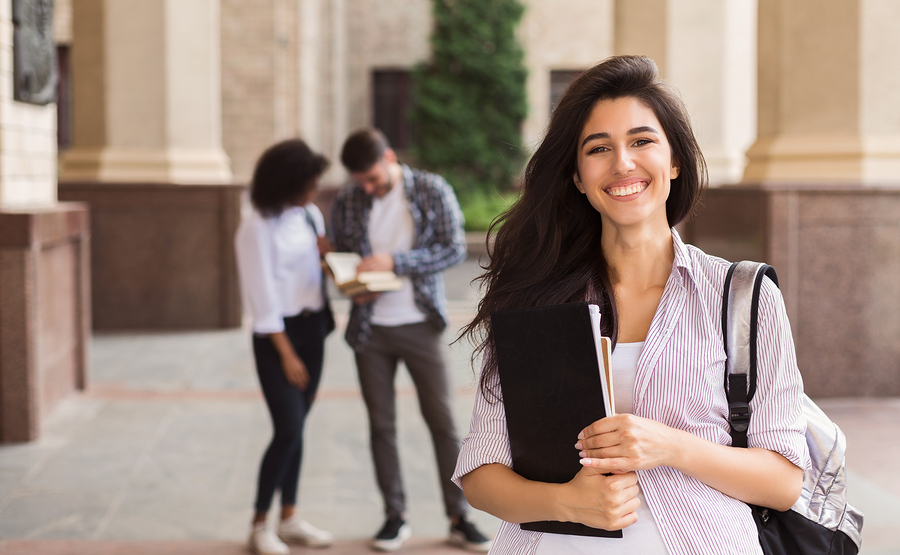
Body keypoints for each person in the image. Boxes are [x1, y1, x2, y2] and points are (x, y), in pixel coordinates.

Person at [453, 56, 810, 555]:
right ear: (577, 176)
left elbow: (784, 481)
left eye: (642, 141)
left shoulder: (741, 295)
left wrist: (670, 446)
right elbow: (481, 474)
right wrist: (569, 503)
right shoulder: (533, 296)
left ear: (675, 160)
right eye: (598, 149)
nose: (622, 163)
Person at [330, 128, 491, 552]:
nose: (367, 187)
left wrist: (395, 262)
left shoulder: (431, 189)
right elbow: (344, 257)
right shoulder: (348, 200)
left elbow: (453, 248)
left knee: (444, 424)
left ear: (388, 157)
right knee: (381, 426)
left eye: (372, 178)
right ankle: (394, 516)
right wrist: (351, 283)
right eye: (360, 180)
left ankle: (459, 517)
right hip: (369, 328)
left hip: (421, 323)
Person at [235, 139, 336, 555]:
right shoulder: (256, 226)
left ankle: (289, 518)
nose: (314, 191)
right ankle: (259, 525)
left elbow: (316, 273)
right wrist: (287, 354)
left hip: (313, 331)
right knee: (288, 428)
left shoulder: (309, 216)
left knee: (298, 428)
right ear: (286, 183)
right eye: (308, 183)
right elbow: (262, 299)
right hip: (278, 339)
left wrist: (328, 259)